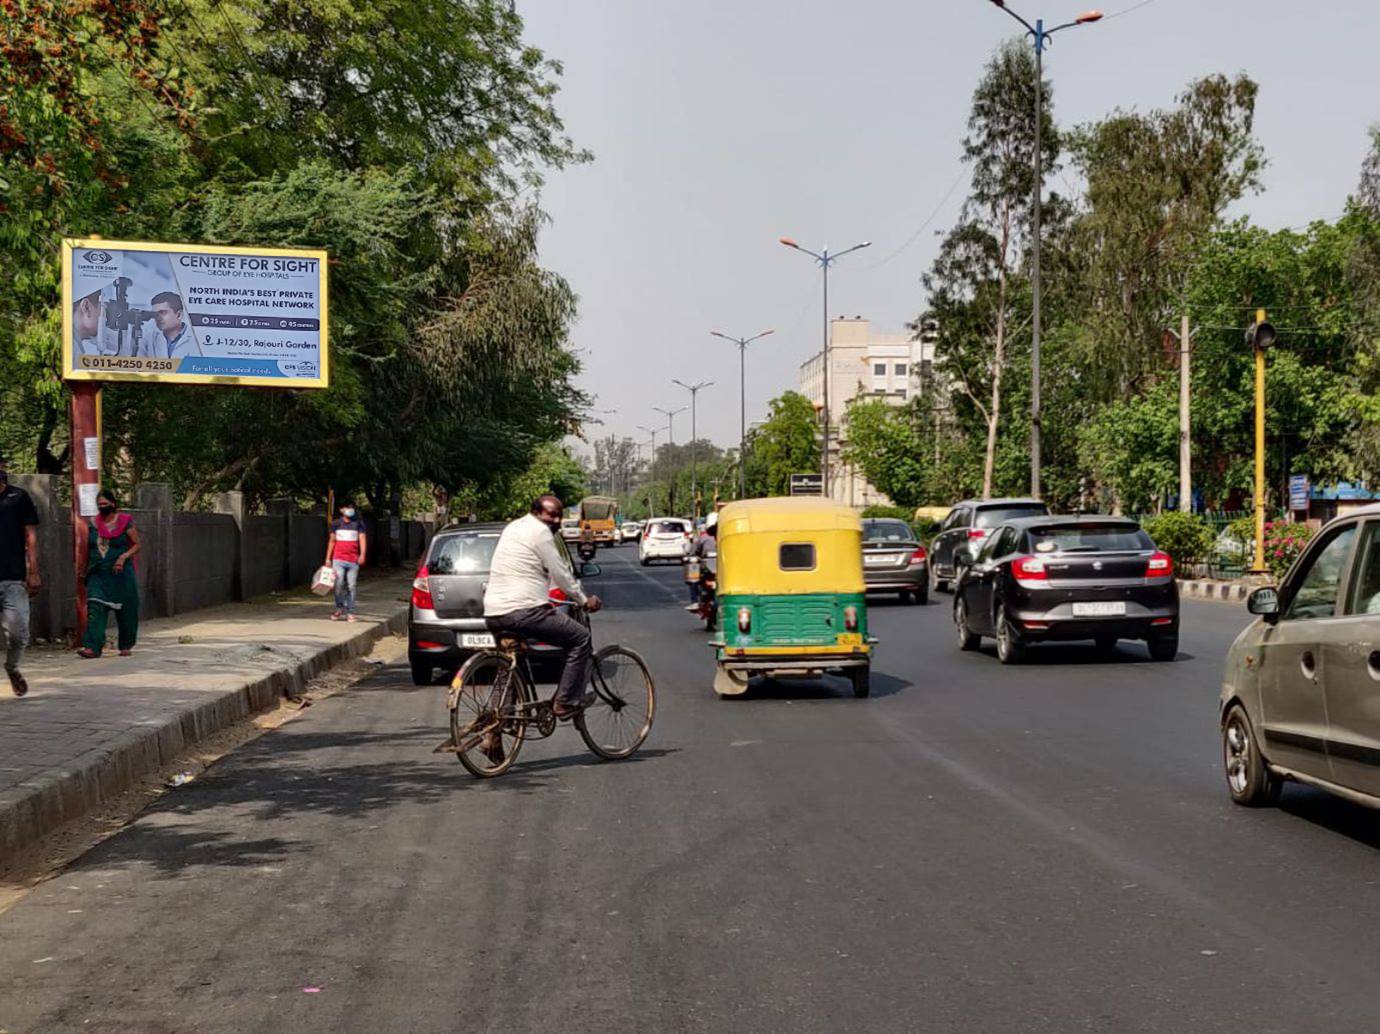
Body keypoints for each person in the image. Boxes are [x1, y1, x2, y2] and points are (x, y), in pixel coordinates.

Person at [482, 495, 603, 761]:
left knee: (509, 663)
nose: (556, 520)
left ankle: (494, 732)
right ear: (536, 513)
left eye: (559, 515)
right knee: (580, 638)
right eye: (551, 515)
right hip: (525, 611)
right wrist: (583, 600)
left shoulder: (513, 527)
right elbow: (560, 572)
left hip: (494, 612)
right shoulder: (541, 533)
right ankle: (565, 702)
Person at [77, 488, 141, 659]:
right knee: (95, 607)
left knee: (127, 610)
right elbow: (86, 548)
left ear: (113, 504)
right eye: (99, 504)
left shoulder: (125, 522)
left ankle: (126, 644)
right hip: (98, 573)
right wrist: (83, 569)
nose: (102, 506)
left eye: (105, 503)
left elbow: (137, 544)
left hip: (121, 574)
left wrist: (123, 557)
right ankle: (93, 647)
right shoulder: (93, 523)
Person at [0, 455, 40, 696]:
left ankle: (12, 667)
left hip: (13, 578)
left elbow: (30, 536)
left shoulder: (18, 497)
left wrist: (33, 571)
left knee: (18, 633)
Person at [325, 501, 367, 622]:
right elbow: (332, 541)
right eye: (346, 507)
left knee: (351, 586)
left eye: (351, 507)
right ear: (341, 510)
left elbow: (362, 539)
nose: (349, 509)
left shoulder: (358, 524)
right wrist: (328, 558)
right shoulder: (336, 524)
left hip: (353, 560)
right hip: (338, 559)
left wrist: (362, 554)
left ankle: (350, 612)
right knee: (338, 584)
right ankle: (339, 608)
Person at [145, 292, 197, 360]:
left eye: (163, 312)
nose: (158, 318)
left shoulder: (196, 338)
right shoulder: (149, 339)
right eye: (155, 314)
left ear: (179, 315)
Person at [685, 512, 718, 612]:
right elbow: (694, 552)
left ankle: (694, 601)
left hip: (721, 569)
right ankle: (695, 601)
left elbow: (694, 552)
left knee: (693, 572)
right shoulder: (727, 536)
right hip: (712, 569)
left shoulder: (703, 537)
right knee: (693, 572)